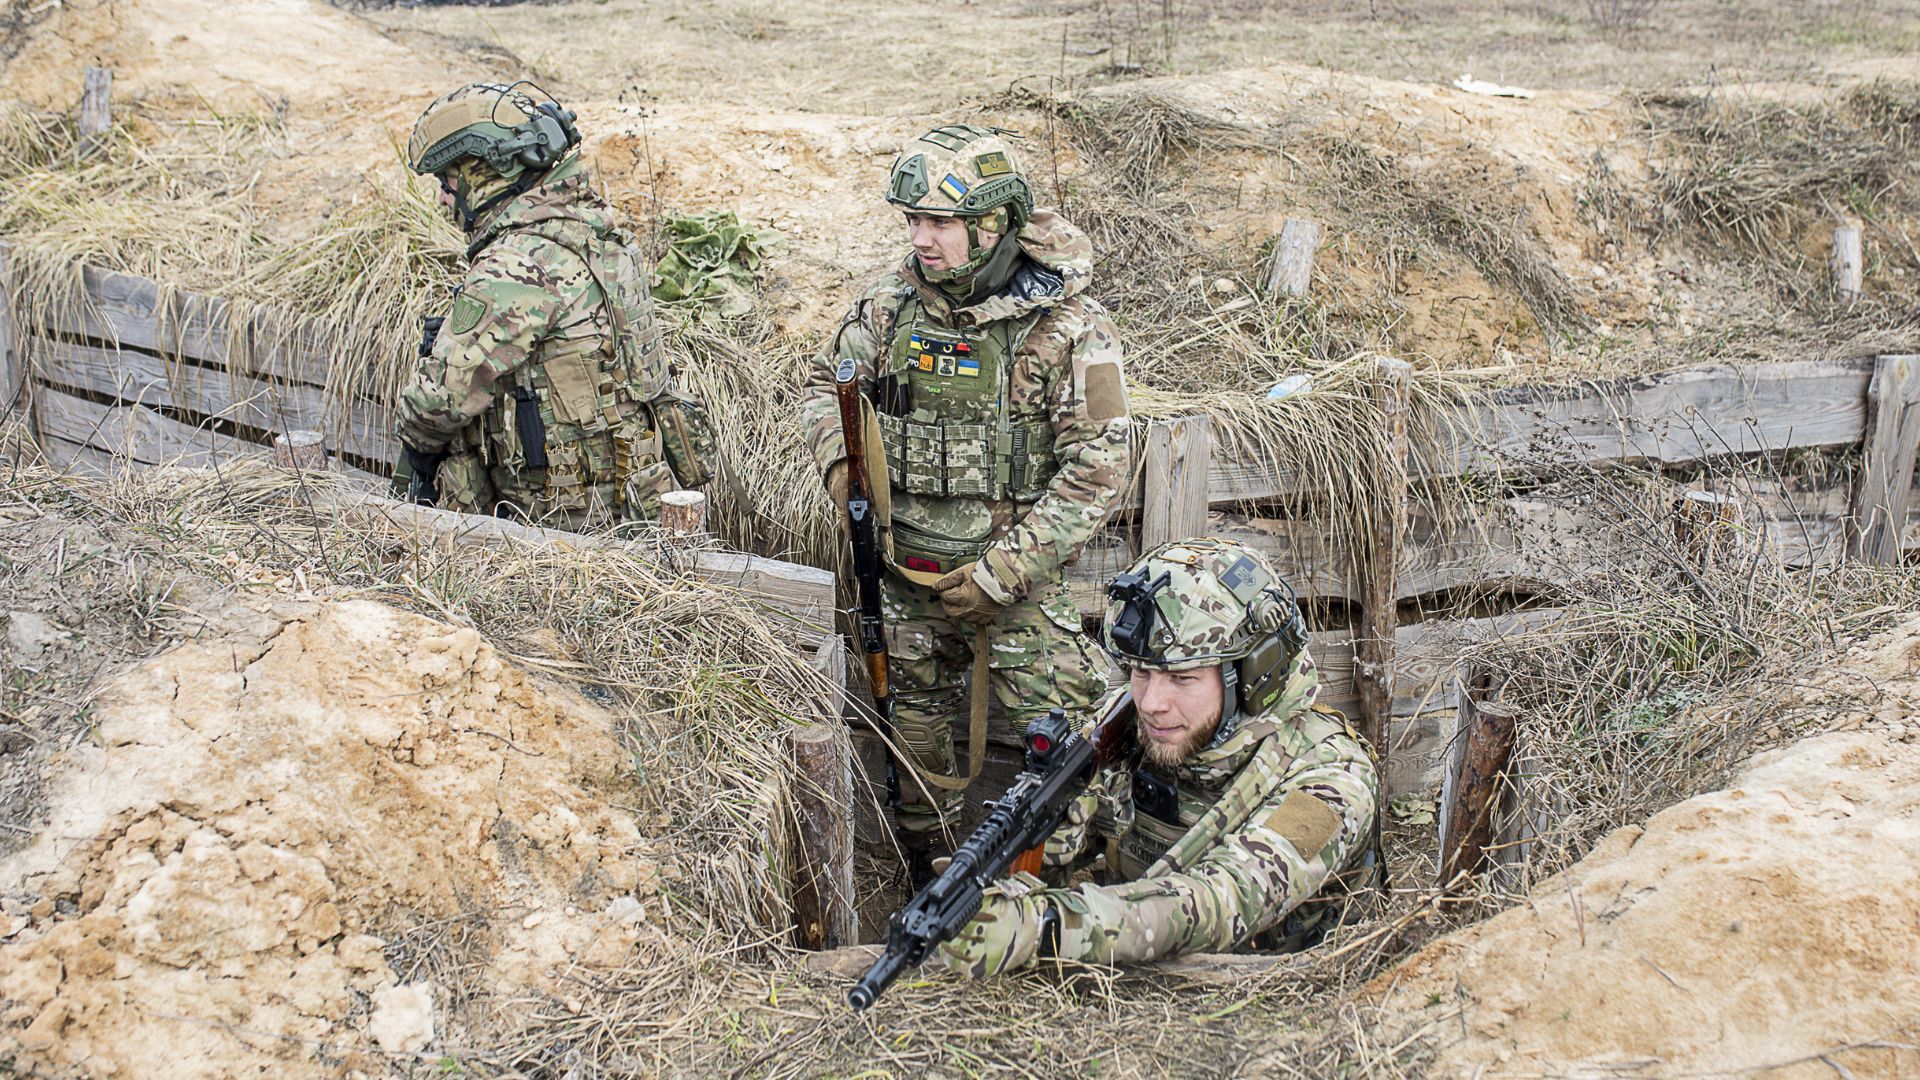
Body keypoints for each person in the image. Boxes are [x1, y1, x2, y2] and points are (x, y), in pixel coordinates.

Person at [798, 124, 1131, 870]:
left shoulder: (1072, 326)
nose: (922, 239)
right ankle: (934, 887)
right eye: (913, 220)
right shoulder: (888, 309)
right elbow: (825, 387)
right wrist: (842, 467)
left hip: (1014, 588)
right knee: (913, 752)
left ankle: (1063, 897)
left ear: (992, 225)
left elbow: (1101, 468)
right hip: (906, 579)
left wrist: (1000, 575)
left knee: (1075, 747)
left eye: (941, 223)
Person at [937, 537, 1380, 975]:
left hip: (1290, 1006)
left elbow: (1225, 900)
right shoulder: (1127, 731)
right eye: (1141, 672)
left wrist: (1051, 927)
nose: (1151, 703)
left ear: (1253, 675)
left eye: (1182, 679)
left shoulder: (1332, 779)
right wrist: (1049, 842)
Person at [397, 82, 710, 528]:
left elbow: (439, 401)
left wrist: (413, 444)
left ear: (488, 173)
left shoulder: (517, 264)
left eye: (449, 182)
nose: (445, 199)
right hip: (634, 500)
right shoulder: (594, 230)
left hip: (563, 525)